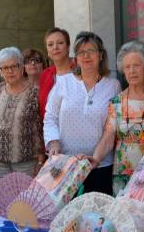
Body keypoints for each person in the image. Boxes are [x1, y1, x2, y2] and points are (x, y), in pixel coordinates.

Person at [44, 31, 122, 195]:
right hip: (66, 164)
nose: (86, 56)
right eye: (81, 52)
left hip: (100, 165)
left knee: (95, 216)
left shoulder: (113, 86)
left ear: (100, 55)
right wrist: (53, 141)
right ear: (76, 58)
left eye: (91, 51)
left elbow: (112, 127)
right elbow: (50, 116)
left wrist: (97, 157)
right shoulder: (64, 82)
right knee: (66, 216)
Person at [87, 41, 144, 194]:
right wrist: (96, 158)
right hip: (124, 174)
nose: (132, 71)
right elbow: (108, 137)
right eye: (127, 67)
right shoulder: (116, 102)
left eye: (136, 65)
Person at [0, 47, 45, 179]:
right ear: (0, 71)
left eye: (14, 66)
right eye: (5, 68)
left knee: (24, 199)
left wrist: (40, 160)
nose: (9, 71)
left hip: (26, 162)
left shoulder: (34, 92)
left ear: (22, 66)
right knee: (4, 197)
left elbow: (40, 128)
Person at [38, 27, 75, 119]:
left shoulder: (81, 69)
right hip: (51, 130)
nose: (55, 47)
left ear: (68, 47)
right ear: (47, 51)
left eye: (60, 43)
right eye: (50, 45)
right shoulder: (45, 75)